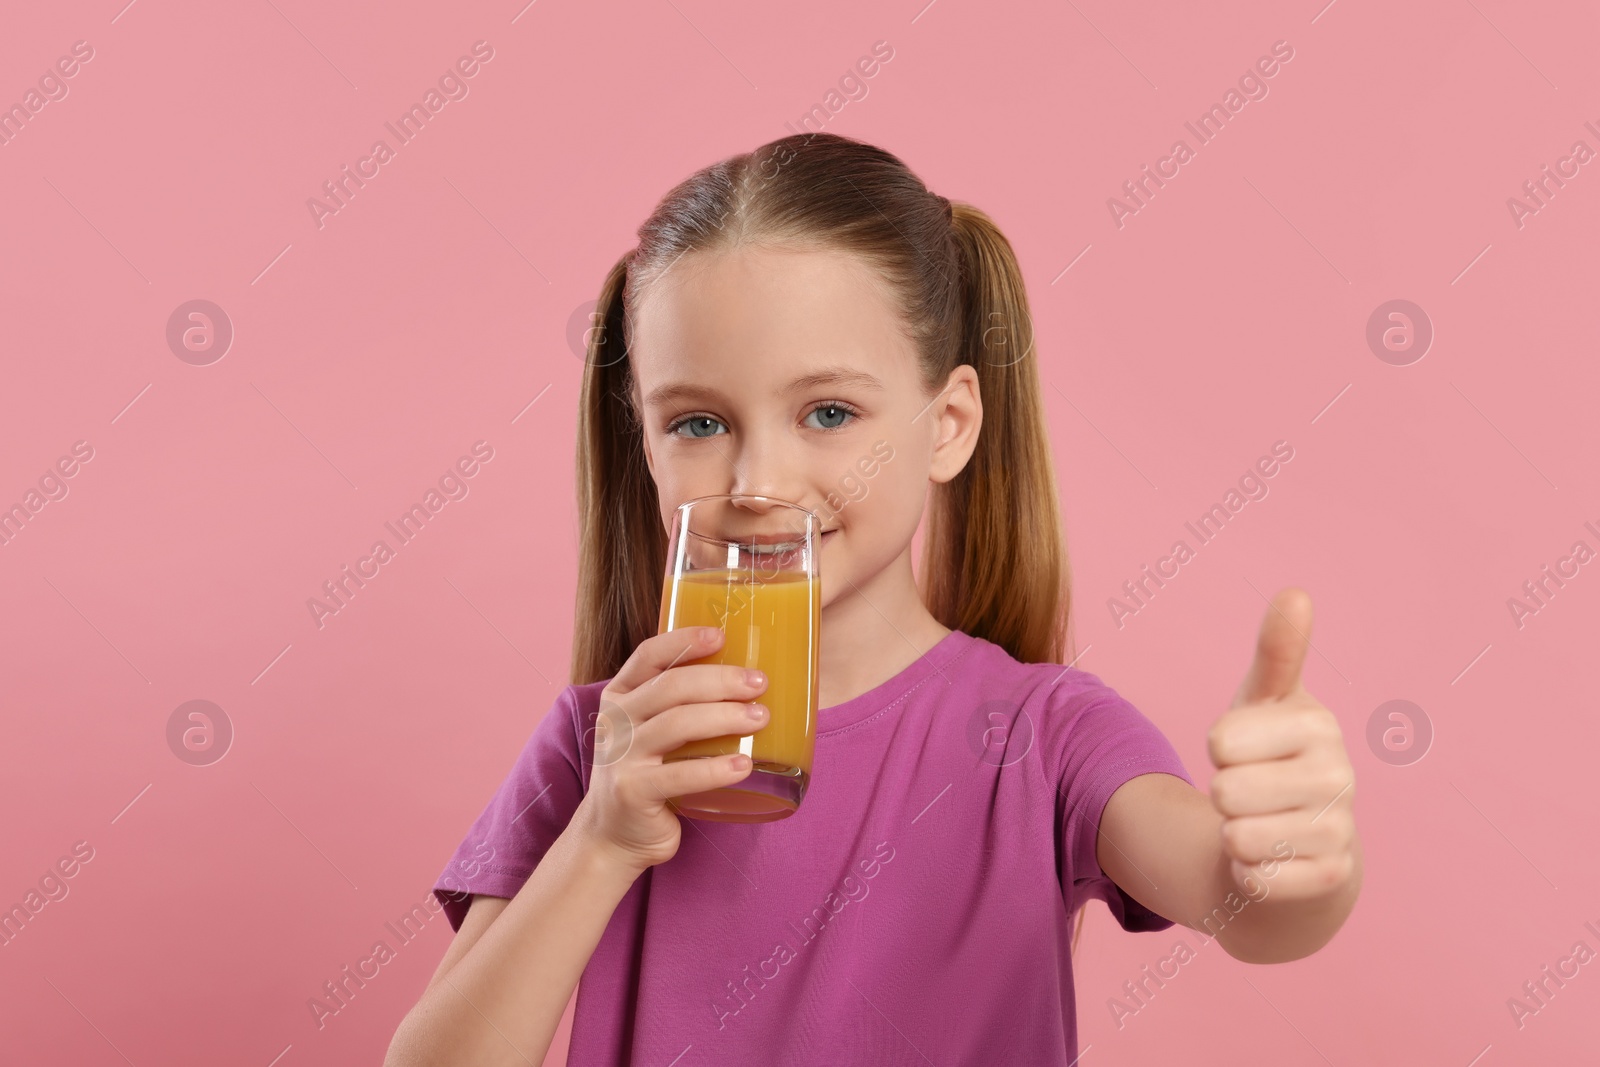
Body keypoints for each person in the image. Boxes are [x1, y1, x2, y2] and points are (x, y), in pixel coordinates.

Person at [384, 132, 1363, 1067]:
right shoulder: (601, 745)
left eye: (827, 412)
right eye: (696, 421)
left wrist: (1283, 857)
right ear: (641, 440)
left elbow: (1240, 905)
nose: (759, 477)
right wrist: (600, 838)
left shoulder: (1046, 734)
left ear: (947, 425)